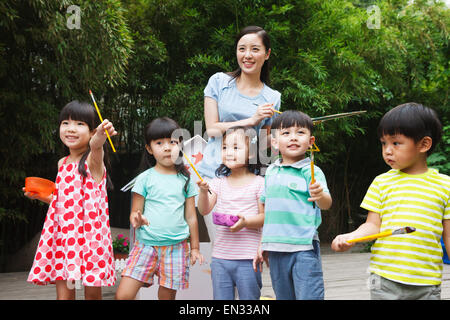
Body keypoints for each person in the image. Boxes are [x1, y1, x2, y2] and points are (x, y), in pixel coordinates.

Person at [331, 103, 450, 300]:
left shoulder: (445, 186)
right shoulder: (382, 183)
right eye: (384, 143)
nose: (387, 150)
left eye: (396, 143)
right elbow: (372, 225)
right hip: (384, 279)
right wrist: (351, 237)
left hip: (427, 282)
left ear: (424, 144)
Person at [24, 100, 117, 299]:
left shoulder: (93, 160)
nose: (71, 129)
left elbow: (96, 147)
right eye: (65, 123)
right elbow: (66, 204)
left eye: (80, 124)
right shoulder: (62, 163)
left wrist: (100, 136)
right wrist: (42, 197)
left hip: (90, 239)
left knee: (92, 296)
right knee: (64, 296)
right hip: (65, 237)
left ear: (92, 131)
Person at [198, 25, 281, 243]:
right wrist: (251, 120)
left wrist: (284, 139)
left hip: (247, 180)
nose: (247, 55)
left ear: (267, 54)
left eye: (255, 49)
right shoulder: (218, 82)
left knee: (247, 244)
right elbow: (212, 129)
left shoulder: (273, 97)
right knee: (220, 243)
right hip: (214, 174)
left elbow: (263, 146)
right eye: (242, 48)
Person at [115, 117, 204, 300]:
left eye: (172, 142)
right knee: (123, 295)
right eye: (159, 143)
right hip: (146, 244)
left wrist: (195, 248)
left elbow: (191, 217)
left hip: (177, 247)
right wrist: (137, 219)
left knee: (166, 297)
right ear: (149, 148)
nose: (167, 147)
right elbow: (134, 213)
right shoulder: (144, 179)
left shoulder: (186, 179)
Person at [253, 110, 332, 300]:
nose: (293, 138)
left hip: (303, 247)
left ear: (311, 141)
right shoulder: (271, 171)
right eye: (286, 133)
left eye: (300, 133)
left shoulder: (311, 171)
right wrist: (262, 242)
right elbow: (265, 208)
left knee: (309, 296)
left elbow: (326, 204)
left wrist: (319, 194)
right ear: (274, 142)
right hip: (276, 250)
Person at [197, 126, 265, 300]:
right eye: (225, 147)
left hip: (248, 258)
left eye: (236, 147)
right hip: (220, 258)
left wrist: (245, 222)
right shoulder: (217, 182)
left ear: (251, 154)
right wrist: (204, 192)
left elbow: (265, 218)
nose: (228, 152)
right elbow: (204, 209)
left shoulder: (259, 183)